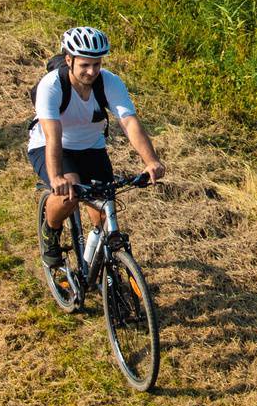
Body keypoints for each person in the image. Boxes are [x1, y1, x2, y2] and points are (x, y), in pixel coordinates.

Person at [30, 26, 165, 266]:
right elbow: (53, 136)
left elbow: (129, 122)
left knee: (105, 216)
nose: (92, 71)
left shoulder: (109, 83)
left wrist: (151, 160)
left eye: (97, 64)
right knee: (68, 196)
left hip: (92, 147)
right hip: (54, 146)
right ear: (69, 60)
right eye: (84, 65)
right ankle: (50, 232)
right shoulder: (51, 86)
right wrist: (57, 177)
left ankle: (103, 271)